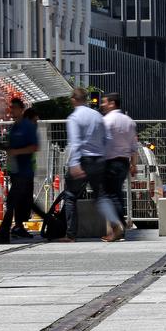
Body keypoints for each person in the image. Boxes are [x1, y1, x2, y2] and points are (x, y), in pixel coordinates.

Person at [57, 88, 122, 243]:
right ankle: (115, 223)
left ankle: (71, 234)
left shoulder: (74, 117)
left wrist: (74, 164)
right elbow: (108, 138)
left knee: (71, 196)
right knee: (100, 195)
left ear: (73, 99)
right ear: (85, 99)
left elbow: (75, 143)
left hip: (83, 160)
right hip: (99, 160)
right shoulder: (98, 116)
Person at [0, 98, 39, 243]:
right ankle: (14, 229)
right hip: (16, 171)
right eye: (11, 108)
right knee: (15, 202)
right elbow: (11, 147)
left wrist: (16, 151)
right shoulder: (15, 127)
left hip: (25, 171)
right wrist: (4, 146)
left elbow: (34, 147)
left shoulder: (27, 127)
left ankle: (4, 233)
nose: (12, 111)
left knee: (12, 202)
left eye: (15, 108)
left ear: (21, 109)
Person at [101, 93, 137, 241]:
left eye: (105, 102)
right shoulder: (129, 122)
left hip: (110, 162)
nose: (102, 105)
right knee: (117, 194)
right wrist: (133, 164)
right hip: (124, 162)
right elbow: (134, 146)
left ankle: (118, 227)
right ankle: (119, 227)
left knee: (108, 195)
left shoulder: (106, 121)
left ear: (112, 103)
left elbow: (102, 143)